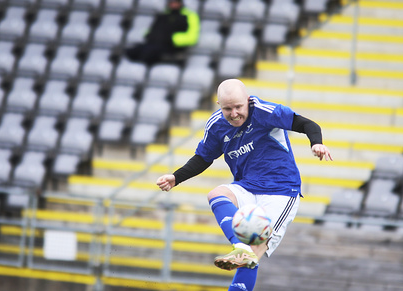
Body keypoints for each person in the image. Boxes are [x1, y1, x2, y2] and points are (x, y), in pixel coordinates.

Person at [156, 79, 333, 291]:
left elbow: (307, 124)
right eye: (227, 108)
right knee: (216, 194)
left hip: (281, 191)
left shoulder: (265, 112)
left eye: (238, 107)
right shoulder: (216, 125)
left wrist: (317, 143)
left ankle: (244, 252)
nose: (233, 114)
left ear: (247, 101)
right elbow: (203, 158)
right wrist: (177, 178)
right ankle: (239, 246)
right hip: (247, 186)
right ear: (218, 105)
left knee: (254, 252)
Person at [125, 0, 199, 65]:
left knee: (149, 53)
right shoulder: (162, 15)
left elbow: (192, 37)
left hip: (172, 47)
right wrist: (149, 36)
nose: (173, 4)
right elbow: (151, 30)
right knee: (131, 51)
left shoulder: (190, 16)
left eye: (176, 2)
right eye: (171, 2)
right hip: (154, 44)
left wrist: (172, 39)